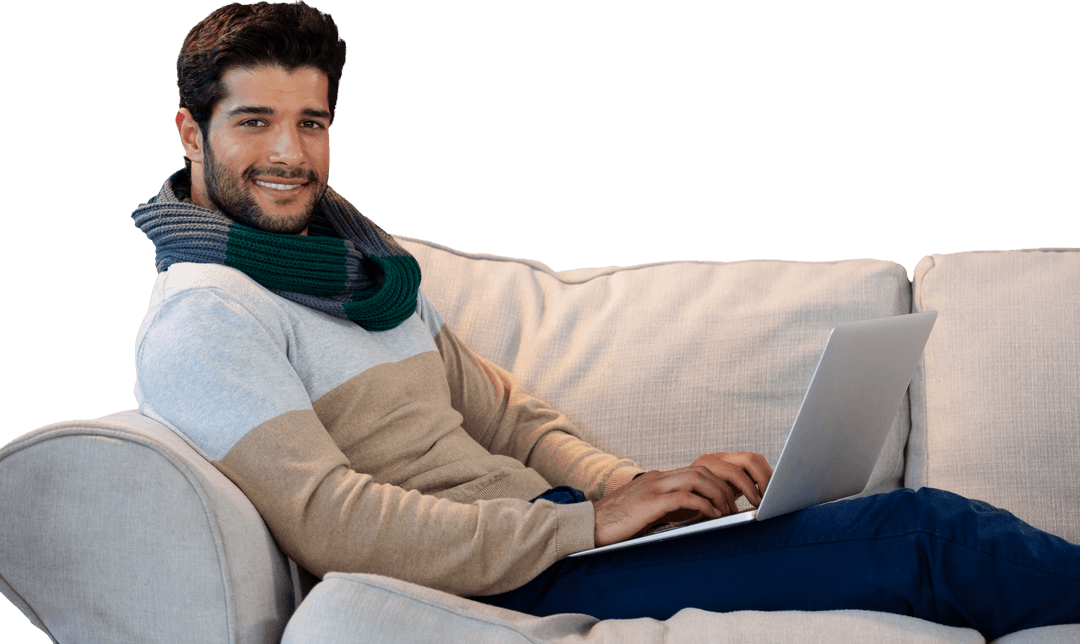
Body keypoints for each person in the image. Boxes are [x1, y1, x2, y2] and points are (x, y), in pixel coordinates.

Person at [131, 2, 1080, 640]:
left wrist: (642, 488)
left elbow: (506, 416)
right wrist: (588, 529)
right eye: (254, 123)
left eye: (313, 122)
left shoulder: (358, 267)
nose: (290, 154)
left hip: (550, 538)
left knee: (921, 533)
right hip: (512, 574)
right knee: (932, 538)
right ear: (191, 132)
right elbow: (331, 522)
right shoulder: (206, 316)